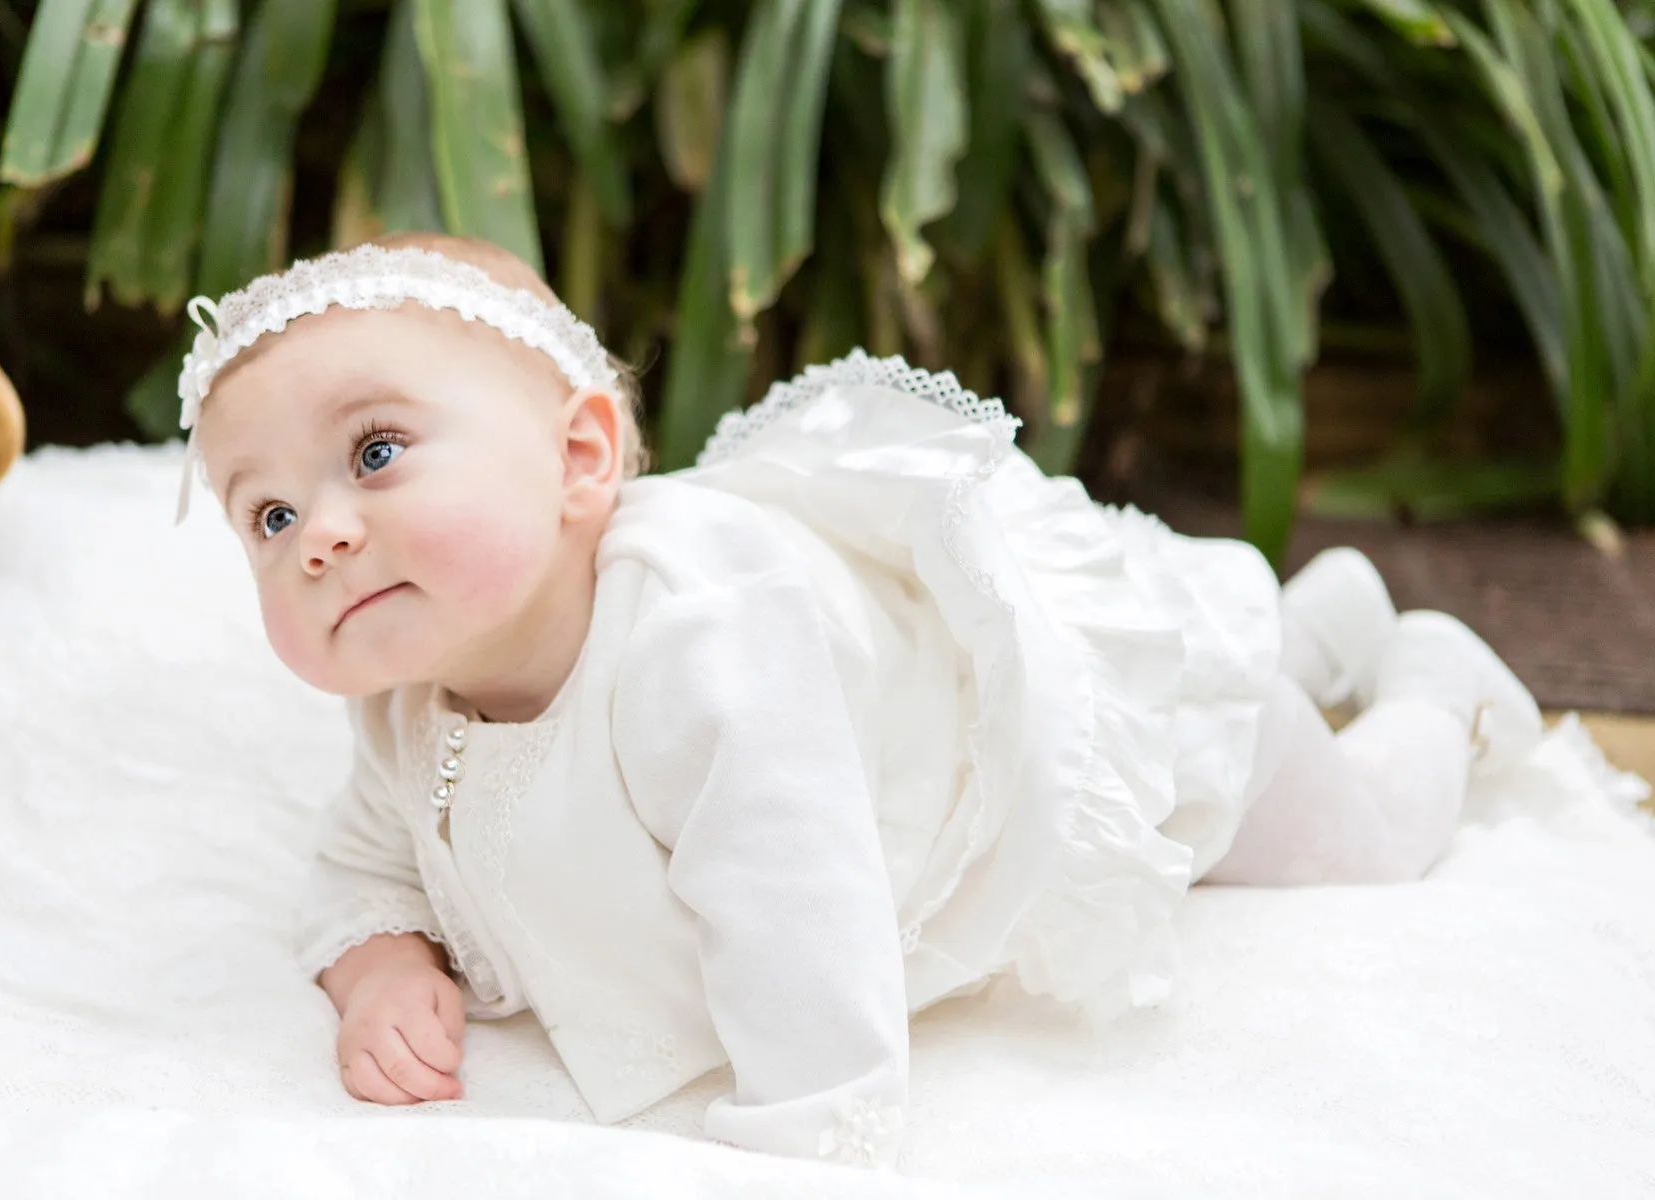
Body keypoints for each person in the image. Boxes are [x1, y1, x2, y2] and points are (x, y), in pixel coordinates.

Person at [178, 231, 1543, 1170]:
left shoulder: (705, 646)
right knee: (1260, 683)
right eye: (270, 511)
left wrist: (803, 1145)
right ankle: (1319, 627)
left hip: (1074, 741)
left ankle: (1436, 690)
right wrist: (378, 966)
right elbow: (364, 859)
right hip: (974, 707)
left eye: (376, 451)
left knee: (1346, 840)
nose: (320, 537)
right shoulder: (412, 698)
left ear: (581, 457)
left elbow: (804, 929)